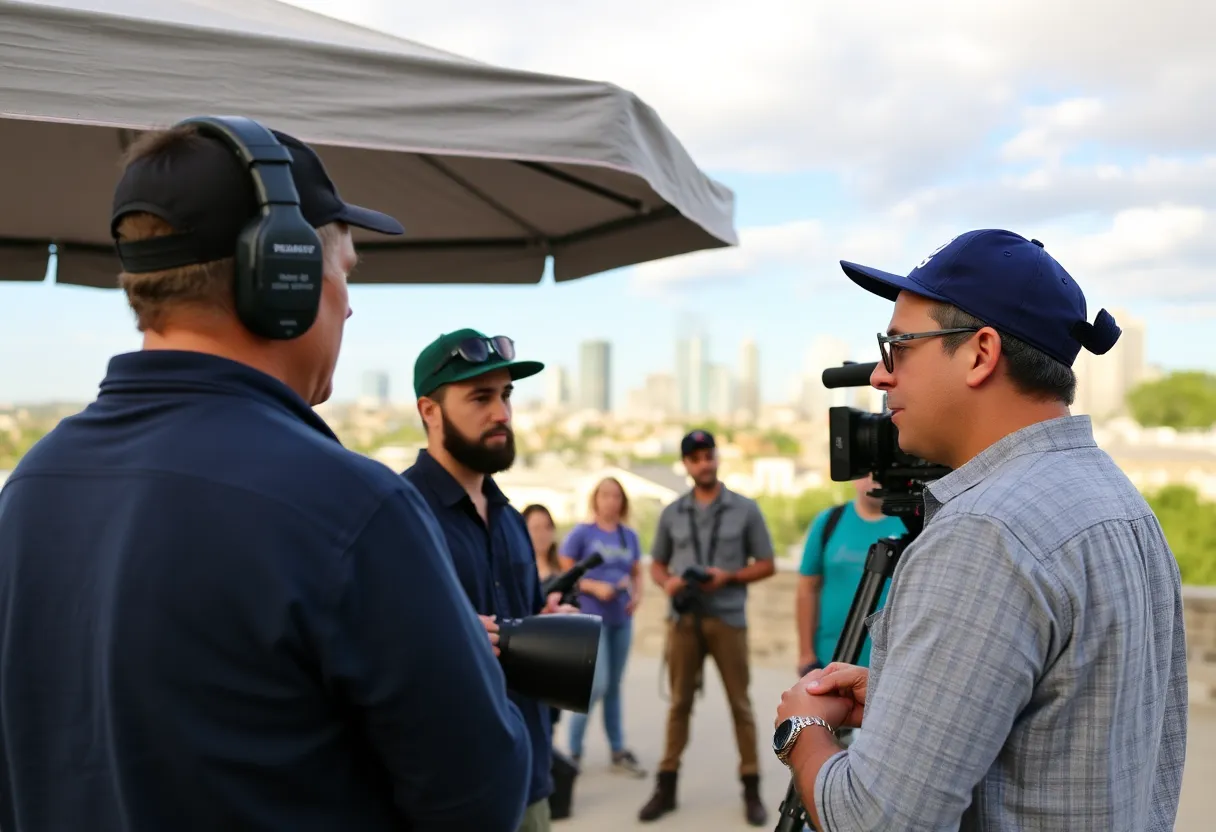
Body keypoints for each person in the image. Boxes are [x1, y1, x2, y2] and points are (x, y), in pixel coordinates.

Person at [0, 119, 535, 832]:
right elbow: (481, 798)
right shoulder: (353, 507)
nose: (348, 301)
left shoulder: (30, 488)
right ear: (283, 274)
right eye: (344, 271)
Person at [774, 229, 1188, 831]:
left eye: (899, 348)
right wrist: (903, 691)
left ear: (980, 352)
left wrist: (802, 733)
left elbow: (879, 821)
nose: (881, 378)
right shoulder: (1120, 503)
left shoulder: (983, 533)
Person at [402, 329, 575, 832]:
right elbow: (362, 651)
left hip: (529, 778)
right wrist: (441, 645)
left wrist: (546, 623)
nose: (501, 413)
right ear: (429, 411)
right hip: (450, 793)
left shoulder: (510, 518)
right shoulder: (398, 516)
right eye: (480, 397)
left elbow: (518, 621)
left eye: (505, 395)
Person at [639, 429, 777, 827]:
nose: (704, 463)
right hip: (683, 620)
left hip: (728, 618)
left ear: (717, 458)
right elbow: (657, 565)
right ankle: (665, 788)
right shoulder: (671, 512)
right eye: (696, 458)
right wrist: (669, 584)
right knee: (679, 704)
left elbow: (766, 563)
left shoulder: (745, 509)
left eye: (709, 455)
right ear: (686, 465)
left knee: (741, 705)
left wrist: (728, 577)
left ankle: (751, 788)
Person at [795, 474, 904, 749]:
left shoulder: (910, 525)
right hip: (830, 662)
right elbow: (807, 588)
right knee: (823, 758)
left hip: (890, 668)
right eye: (866, 472)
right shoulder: (828, 522)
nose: (874, 479)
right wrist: (806, 653)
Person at [559, 476, 647, 778]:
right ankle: (573, 750)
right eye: (605, 495)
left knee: (614, 688)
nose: (611, 501)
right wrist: (595, 587)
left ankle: (618, 749)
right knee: (595, 685)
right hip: (591, 618)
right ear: (595, 499)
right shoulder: (583, 533)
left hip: (620, 619)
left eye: (616, 496)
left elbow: (637, 572)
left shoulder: (628, 536)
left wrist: (637, 596)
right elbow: (566, 572)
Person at [524, 503, 562, 585]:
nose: (542, 534)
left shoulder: (562, 573)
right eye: (536, 528)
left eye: (547, 527)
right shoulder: (515, 574)